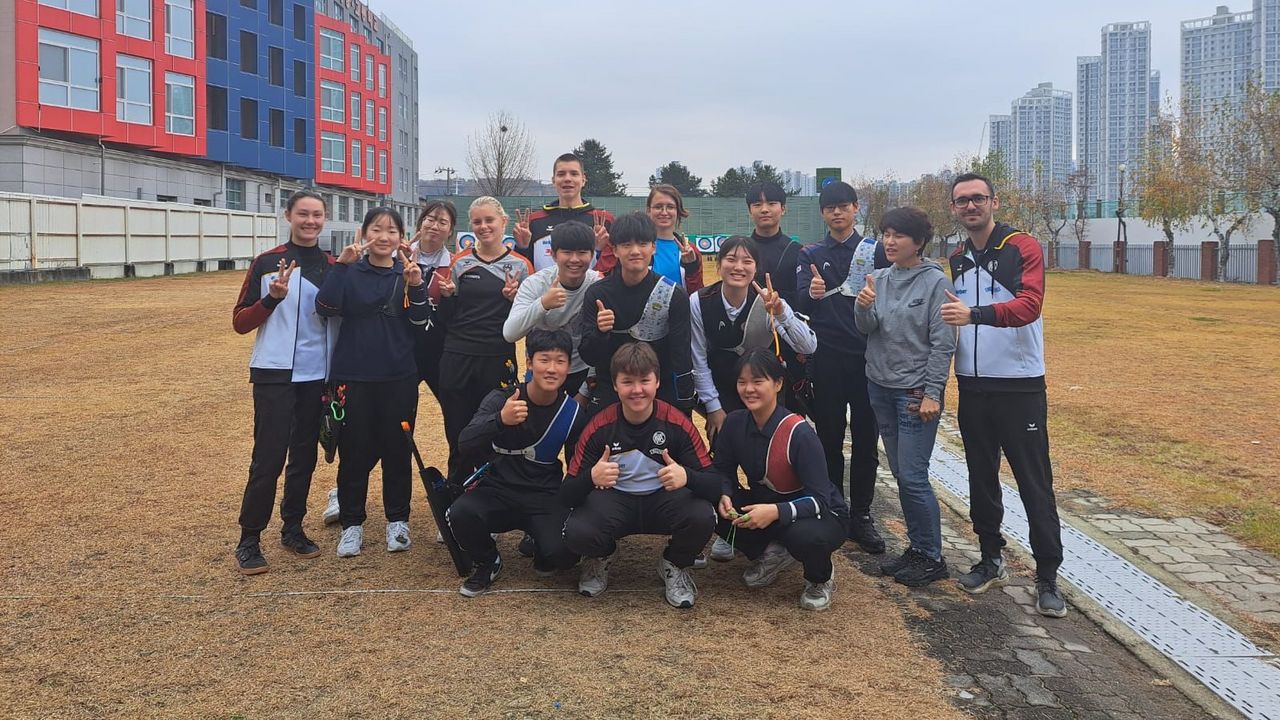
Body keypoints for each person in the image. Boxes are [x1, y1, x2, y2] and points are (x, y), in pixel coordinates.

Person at [941, 172, 1067, 618]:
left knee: (1034, 482)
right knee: (981, 476)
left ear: (993, 202)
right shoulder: (955, 257)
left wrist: (974, 314)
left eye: (978, 198)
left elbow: (1030, 305)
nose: (970, 206)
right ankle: (990, 557)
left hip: (1018, 385)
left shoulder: (1022, 246)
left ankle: (1048, 576)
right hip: (973, 384)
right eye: (962, 201)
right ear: (953, 209)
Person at [322, 199, 459, 527]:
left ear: (451, 230)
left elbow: (431, 318)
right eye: (430, 219)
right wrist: (344, 265)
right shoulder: (378, 260)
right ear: (418, 225)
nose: (435, 226)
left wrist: (437, 291)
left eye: (443, 221)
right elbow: (329, 305)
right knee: (360, 437)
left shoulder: (453, 263)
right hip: (378, 360)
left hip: (427, 356)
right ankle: (346, 499)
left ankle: (444, 502)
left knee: (431, 431)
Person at [561, 342, 720, 608]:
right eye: (627, 382)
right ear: (614, 385)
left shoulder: (677, 422)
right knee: (577, 531)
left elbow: (716, 484)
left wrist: (687, 477)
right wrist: (591, 478)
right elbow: (566, 494)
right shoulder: (599, 425)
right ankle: (603, 555)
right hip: (615, 503)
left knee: (702, 515)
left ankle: (674, 563)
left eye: (645, 381)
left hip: (663, 501)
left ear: (657, 382)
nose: (637, 390)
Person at [315, 207, 430, 557]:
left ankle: (398, 520)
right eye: (377, 230)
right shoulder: (351, 271)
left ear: (401, 238)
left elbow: (421, 322)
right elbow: (325, 306)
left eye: (392, 231)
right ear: (365, 234)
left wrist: (418, 285)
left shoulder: (407, 273)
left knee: (398, 449)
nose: (384, 237)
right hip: (354, 374)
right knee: (354, 450)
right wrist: (341, 266)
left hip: (399, 375)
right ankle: (352, 524)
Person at [231, 190, 335, 574]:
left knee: (303, 457)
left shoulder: (333, 265)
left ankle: (292, 528)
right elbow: (240, 323)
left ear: (325, 219)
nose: (310, 221)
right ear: (288, 215)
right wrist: (271, 299)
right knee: (268, 457)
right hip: (274, 373)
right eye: (303, 214)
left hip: (316, 375)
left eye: (317, 215)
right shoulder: (267, 263)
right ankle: (249, 538)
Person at [854, 206, 956, 587]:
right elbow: (868, 329)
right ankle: (917, 549)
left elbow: (943, 342)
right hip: (878, 385)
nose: (890, 242)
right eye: (886, 234)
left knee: (913, 476)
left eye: (899, 235)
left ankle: (931, 557)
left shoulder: (935, 283)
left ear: (919, 242)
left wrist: (933, 392)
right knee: (900, 473)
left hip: (914, 393)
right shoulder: (878, 277)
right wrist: (861, 307)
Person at [446, 328, 587, 596]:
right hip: (497, 490)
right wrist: (500, 420)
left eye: (560, 361)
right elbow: (464, 442)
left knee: (564, 555)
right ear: (530, 362)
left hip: (544, 494)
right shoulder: (502, 398)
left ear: (569, 366)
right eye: (544, 360)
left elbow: (576, 469)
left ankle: (539, 541)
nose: (551, 369)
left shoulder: (573, 413)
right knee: (461, 513)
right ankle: (488, 560)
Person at [711, 349, 848, 610]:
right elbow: (722, 470)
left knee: (808, 538)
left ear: (778, 383)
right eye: (742, 382)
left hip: (815, 513)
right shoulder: (734, 423)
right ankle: (772, 552)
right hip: (765, 505)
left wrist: (776, 511)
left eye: (758, 381)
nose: (748, 389)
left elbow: (820, 498)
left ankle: (820, 577)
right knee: (705, 499)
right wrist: (725, 494)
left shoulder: (799, 433)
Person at [795, 181, 888, 554]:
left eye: (843, 206)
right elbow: (799, 300)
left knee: (866, 441)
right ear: (822, 213)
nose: (837, 212)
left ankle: (862, 515)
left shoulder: (876, 251)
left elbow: (890, 296)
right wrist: (812, 294)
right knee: (829, 439)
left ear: (855, 208)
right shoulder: (811, 254)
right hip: (827, 359)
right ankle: (834, 507)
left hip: (868, 360)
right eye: (830, 207)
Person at [435, 197, 534, 491]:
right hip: (457, 356)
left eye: (489, 220)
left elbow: (526, 319)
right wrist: (450, 297)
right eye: (477, 221)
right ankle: (455, 495)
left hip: (497, 357)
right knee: (457, 430)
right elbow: (444, 319)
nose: (483, 226)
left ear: (503, 222)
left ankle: (489, 498)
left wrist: (512, 301)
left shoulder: (521, 266)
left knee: (494, 430)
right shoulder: (459, 262)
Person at [693, 236, 817, 443]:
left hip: (764, 395)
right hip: (721, 392)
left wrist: (781, 313)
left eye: (747, 261)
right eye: (731, 259)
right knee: (723, 460)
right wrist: (713, 408)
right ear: (719, 263)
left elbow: (808, 346)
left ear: (756, 267)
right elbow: (698, 359)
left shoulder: (768, 300)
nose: (738, 267)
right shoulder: (699, 301)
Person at [577, 212, 695, 414]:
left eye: (642, 244)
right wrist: (601, 332)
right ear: (614, 250)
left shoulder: (673, 295)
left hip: (658, 389)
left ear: (653, 247)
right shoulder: (597, 294)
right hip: (611, 389)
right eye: (626, 245)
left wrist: (684, 407)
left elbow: (681, 357)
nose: (635, 251)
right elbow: (589, 356)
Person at [503, 221, 601, 403]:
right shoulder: (535, 284)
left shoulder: (598, 284)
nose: (574, 259)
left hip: (582, 372)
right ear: (554, 254)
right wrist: (543, 304)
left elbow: (601, 343)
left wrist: (585, 390)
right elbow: (510, 333)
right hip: (544, 371)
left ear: (592, 254)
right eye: (567, 252)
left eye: (582, 253)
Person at [513, 152, 616, 274]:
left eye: (574, 174)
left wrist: (598, 250)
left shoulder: (604, 220)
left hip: (591, 292)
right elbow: (522, 269)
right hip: (544, 293)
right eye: (561, 174)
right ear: (553, 180)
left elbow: (612, 267)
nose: (567, 179)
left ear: (583, 180)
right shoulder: (534, 221)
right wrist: (522, 248)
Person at [646, 184, 704, 291]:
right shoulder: (637, 248)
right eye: (658, 207)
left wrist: (691, 267)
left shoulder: (691, 250)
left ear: (678, 211)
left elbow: (697, 293)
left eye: (670, 207)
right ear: (649, 210)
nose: (664, 212)